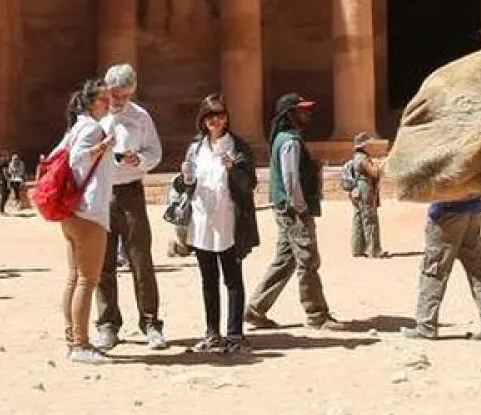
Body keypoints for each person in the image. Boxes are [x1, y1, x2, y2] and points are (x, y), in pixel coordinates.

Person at [245, 92, 339, 330]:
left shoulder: (283, 138)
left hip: (284, 208)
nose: (307, 113)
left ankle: (255, 309)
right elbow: (290, 178)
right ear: (290, 114)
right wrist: (301, 207)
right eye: (301, 110)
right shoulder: (290, 141)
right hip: (293, 210)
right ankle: (317, 314)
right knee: (307, 260)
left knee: (285, 260)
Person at [93, 63, 165, 351]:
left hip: (131, 190)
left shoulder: (140, 117)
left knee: (140, 259)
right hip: (101, 191)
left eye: (124, 95)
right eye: (115, 94)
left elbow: (155, 152)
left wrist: (140, 160)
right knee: (103, 261)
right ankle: (108, 324)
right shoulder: (96, 115)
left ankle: (151, 323)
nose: (119, 100)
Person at [181, 94, 260, 352]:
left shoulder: (238, 146)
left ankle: (235, 334)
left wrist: (232, 169)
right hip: (202, 220)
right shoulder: (195, 148)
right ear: (203, 119)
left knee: (232, 278)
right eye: (210, 116)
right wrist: (185, 178)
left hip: (229, 220)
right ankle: (212, 332)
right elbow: (187, 185)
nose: (215, 121)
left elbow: (249, 183)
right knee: (208, 279)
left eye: (220, 115)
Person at [57, 78, 117, 363]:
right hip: (89, 212)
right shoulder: (92, 128)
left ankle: (73, 339)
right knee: (87, 280)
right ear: (92, 103)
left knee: (75, 278)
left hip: (72, 211)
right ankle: (80, 345)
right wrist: (102, 146)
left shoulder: (76, 127)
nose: (109, 104)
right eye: (104, 99)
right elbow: (76, 159)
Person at [404, 197, 481, 341]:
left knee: (435, 270)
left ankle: (426, 326)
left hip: (447, 211)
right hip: (474, 211)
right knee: (478, 271)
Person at [345, 131, 385, 258]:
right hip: (365, 188)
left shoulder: (355, 157)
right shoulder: (363, 158)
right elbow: (374, 172)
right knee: (370, 218)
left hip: (357, 190)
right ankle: (374, 250)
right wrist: (381, 166)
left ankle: (357, 249)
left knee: (358, 218)